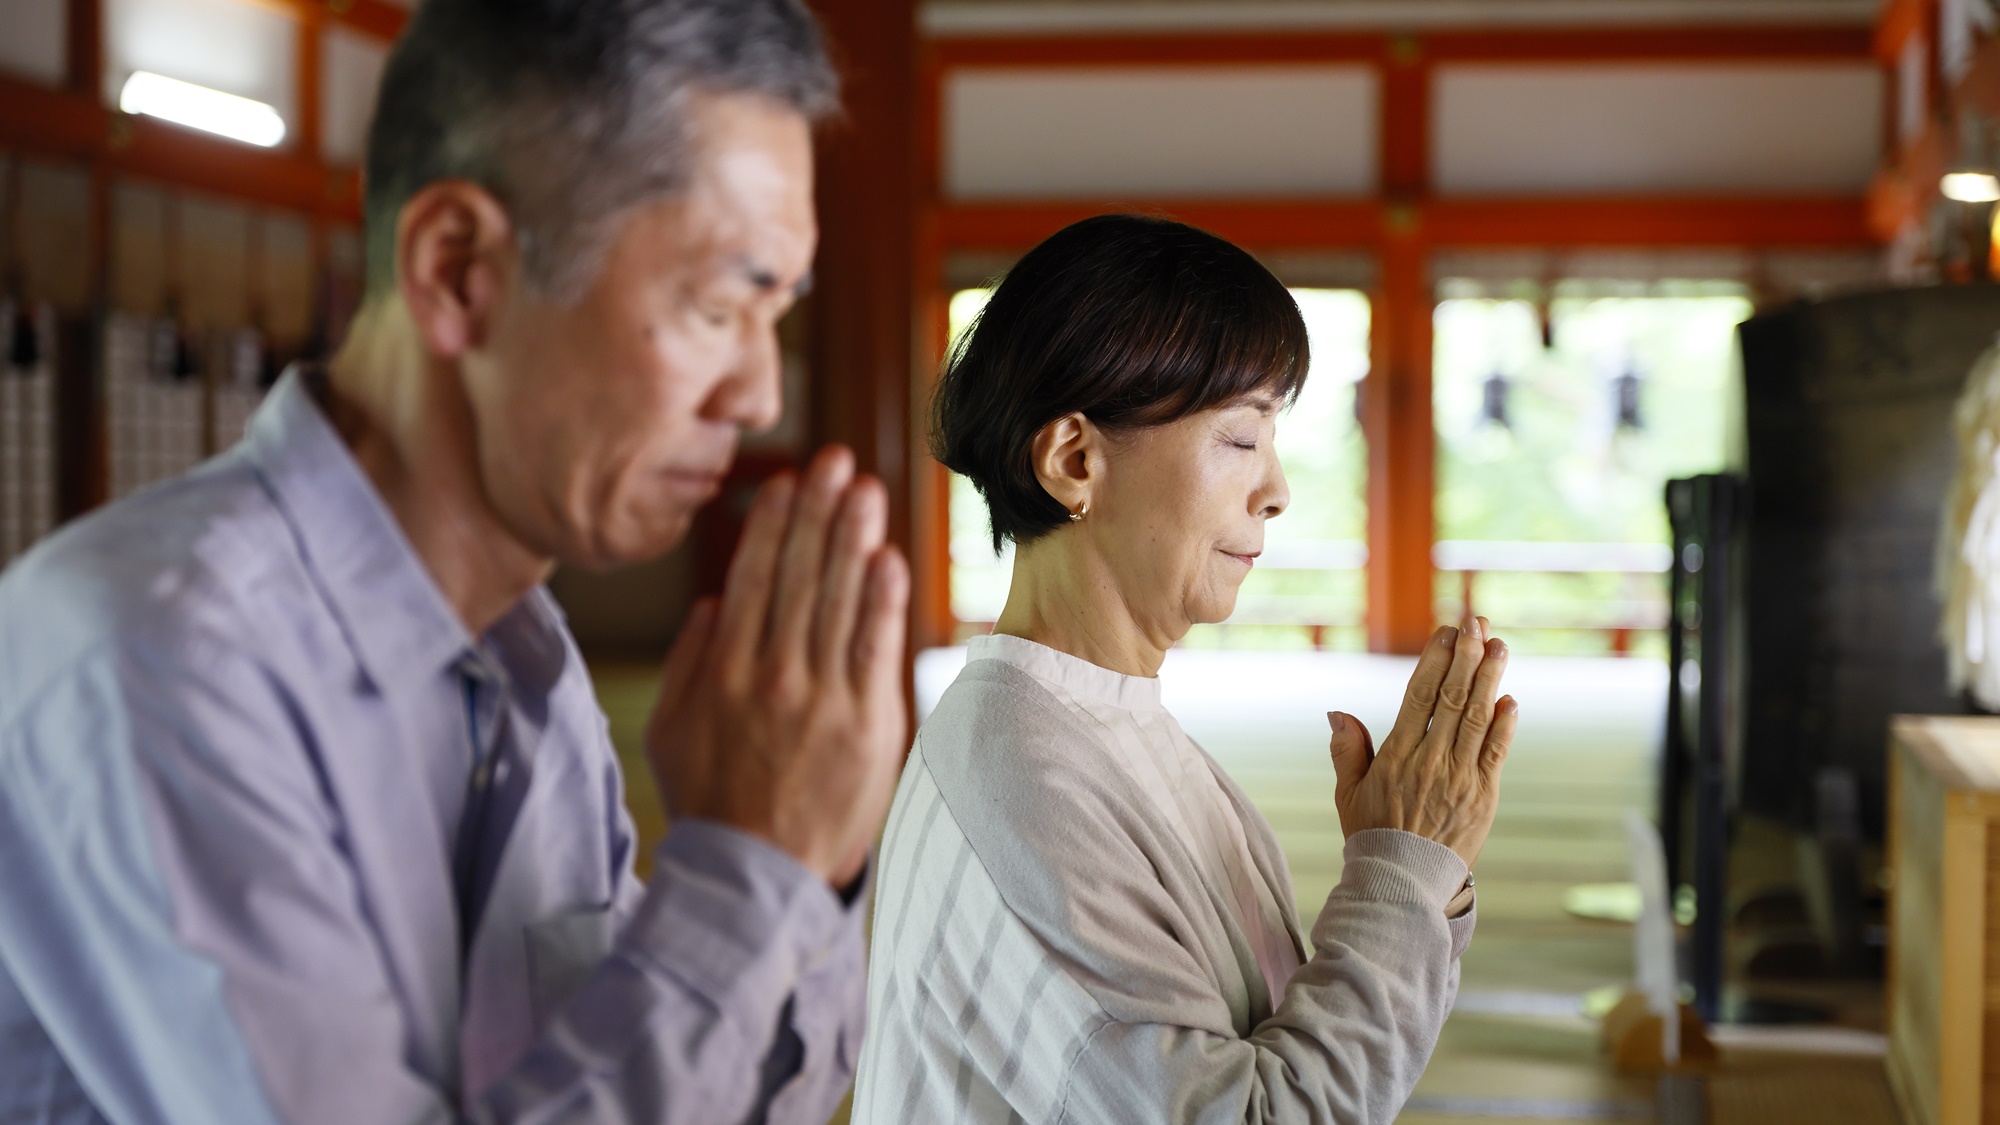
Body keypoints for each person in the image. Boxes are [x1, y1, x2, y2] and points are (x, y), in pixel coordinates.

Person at [0, 1, 909, 1121]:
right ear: (459, 271)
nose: (760, 394)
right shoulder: (151, 649)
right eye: (720, 304)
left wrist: (804, 859)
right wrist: (750, 870)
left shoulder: (525, 667)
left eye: (777, 313)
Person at [852, 214, 1518, 1124]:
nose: (1276, 488)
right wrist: (1398, 879)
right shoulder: (1021, 778)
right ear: (1075, 460)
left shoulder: (1107, 722)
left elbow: (1297, 1042)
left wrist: (1420, 871)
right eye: (1241, 439)